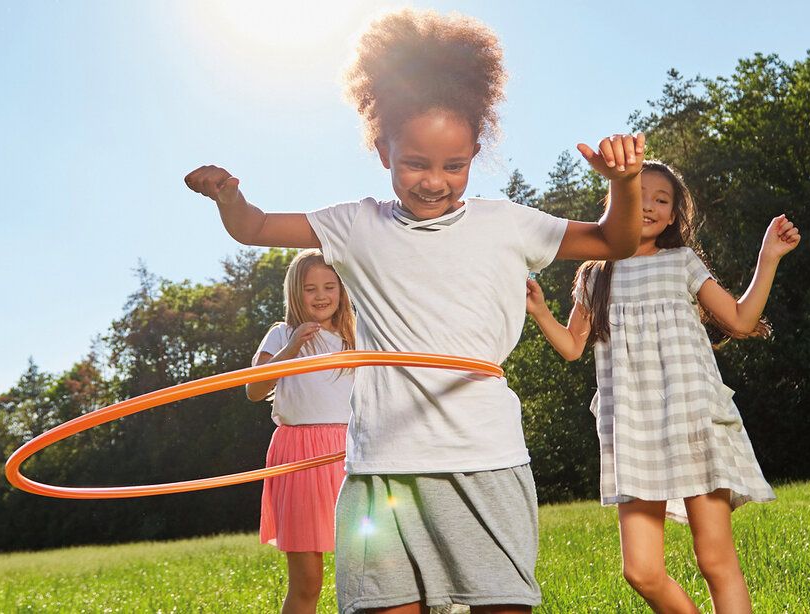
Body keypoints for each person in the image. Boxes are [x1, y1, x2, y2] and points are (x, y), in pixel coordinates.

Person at [186, 9, 645, 612]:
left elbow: (615, 241)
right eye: (415, 164)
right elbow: (253, 228)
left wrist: (625, 183)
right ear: (383, 152)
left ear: (475, 152)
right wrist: (228, 194)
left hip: (483, 457)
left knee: (500, 603)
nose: (435, 181)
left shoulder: (508, 224)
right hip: (382, 464)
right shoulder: (354, 225)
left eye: (454, 165)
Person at [526, 160, 800, 613]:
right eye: (638, 195)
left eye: (662, 200)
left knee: (714, 558)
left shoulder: (682, 262)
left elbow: (740, 319)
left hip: (691, 415)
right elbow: (573, 347)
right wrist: (540, 313)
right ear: (615, 203)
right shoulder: (596, 275)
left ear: (673, 216)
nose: (649, 206)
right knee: (641, 571)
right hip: (632, 428)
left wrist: (767, 257)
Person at [248, 248, 356, 614]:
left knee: (368, 569)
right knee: (308, 580)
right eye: (311, 288)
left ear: (342, 290)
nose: (322, 296)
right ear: (296, 292)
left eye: (330, 286)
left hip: (350, 451)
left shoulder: (354, 338)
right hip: (299, 454)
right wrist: (293, 348)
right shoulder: (282, 334)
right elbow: (254, 389)